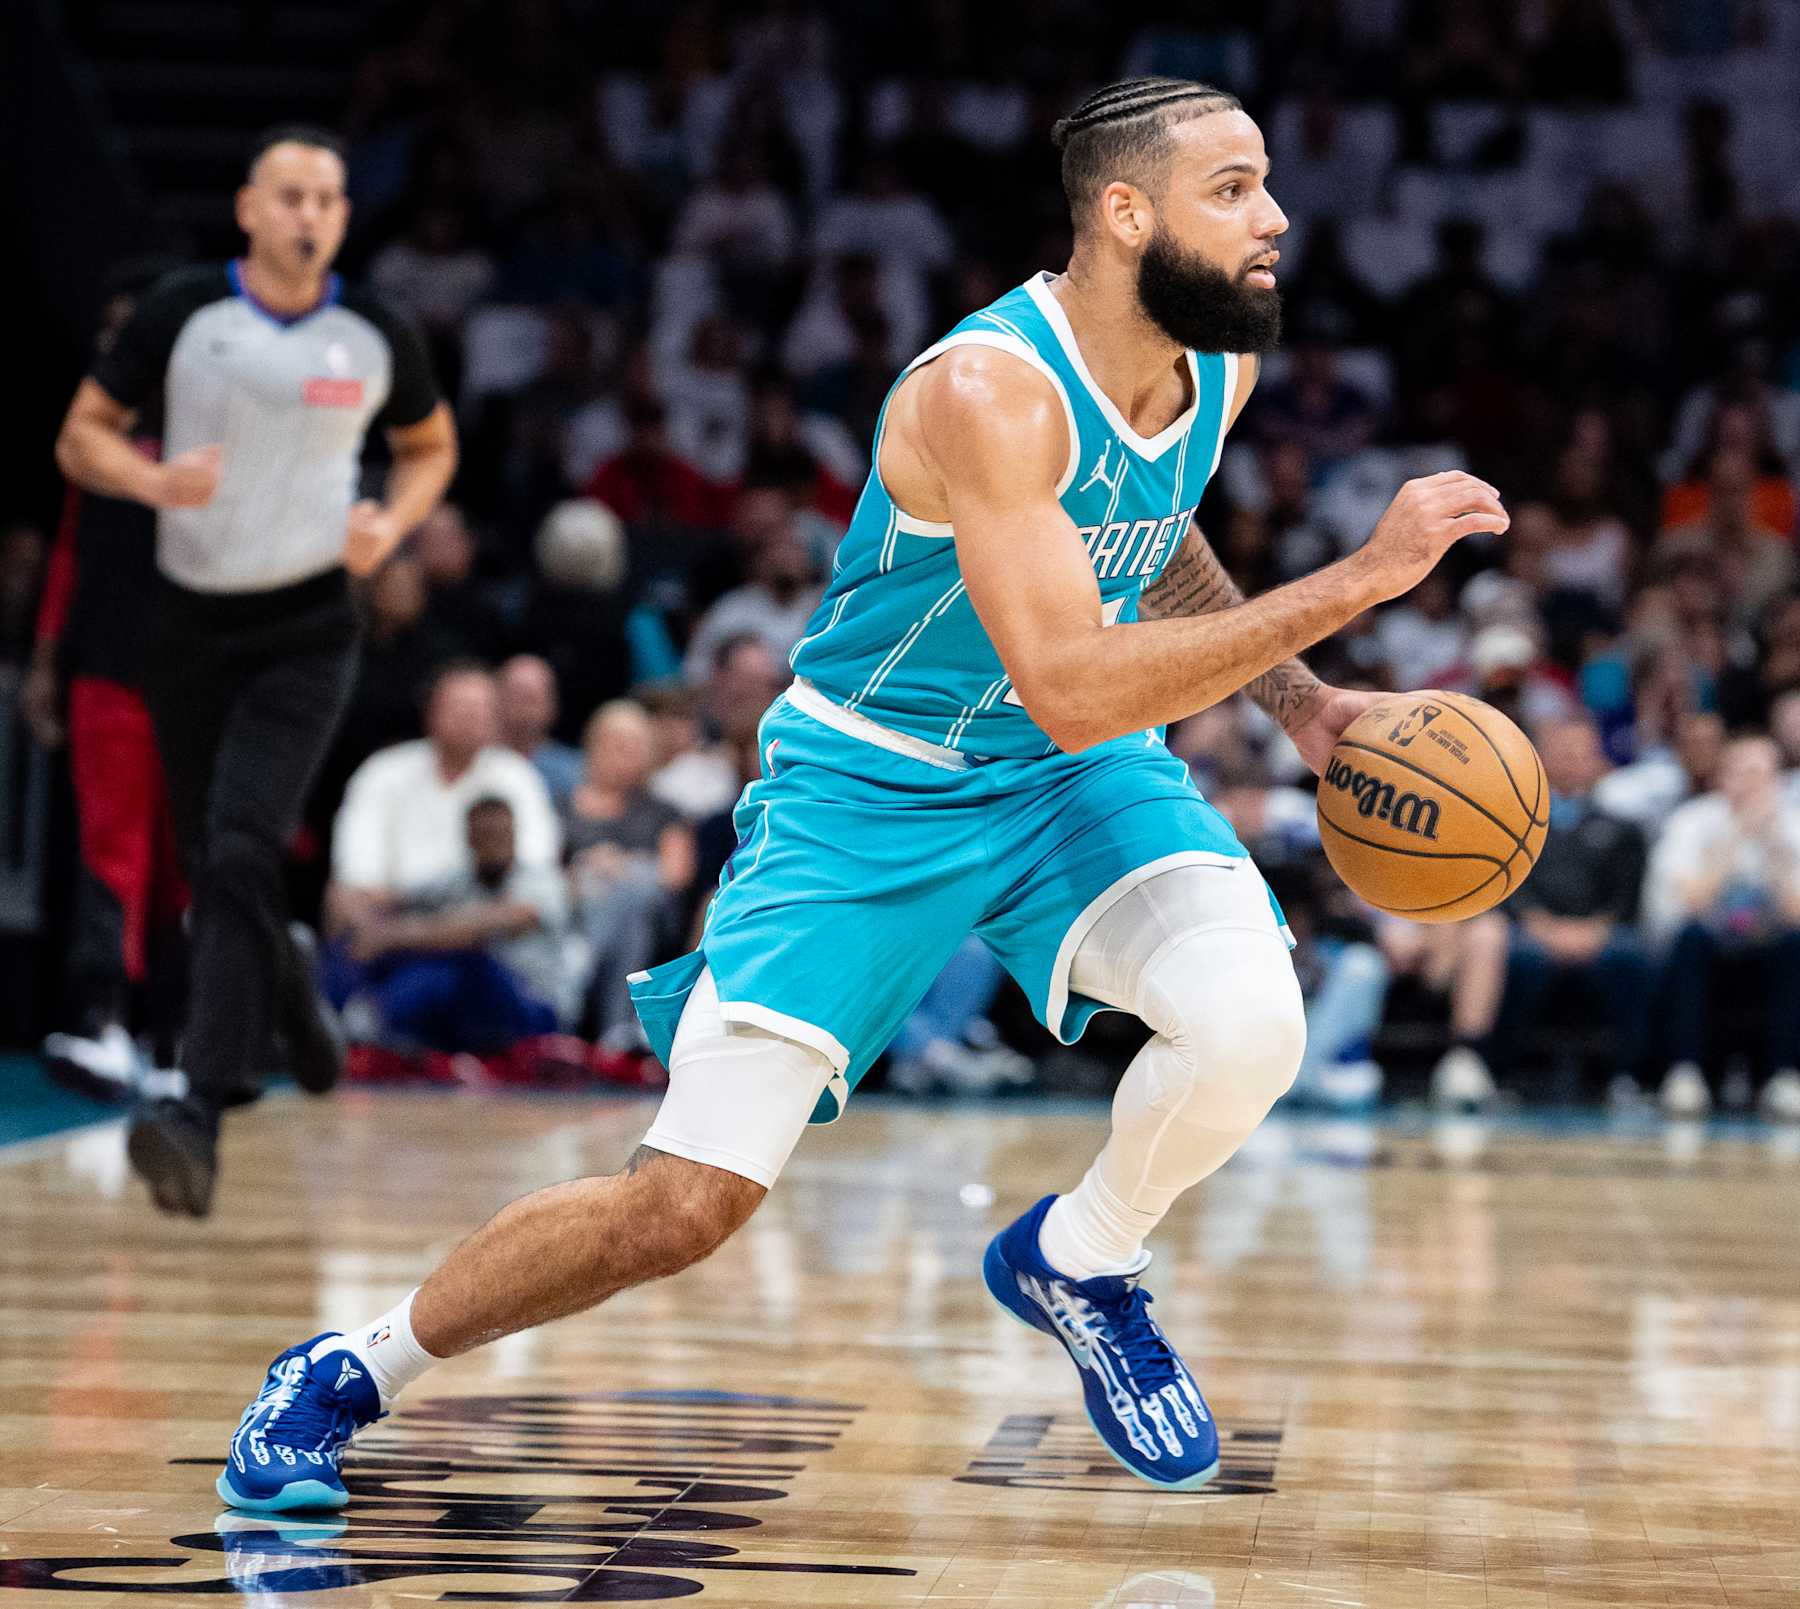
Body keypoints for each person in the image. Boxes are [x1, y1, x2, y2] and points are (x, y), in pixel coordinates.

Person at [216, 77, 1509, 1512]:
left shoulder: (1213, 364)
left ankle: (1081, 1256)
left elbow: (1149, 532)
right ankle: (350, 1366)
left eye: (1266, 184)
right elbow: (1079, 673)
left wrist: (1311, 705)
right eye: (1236, 188)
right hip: (871, 786)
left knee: (1256, 1013)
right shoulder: (986, 394)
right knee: (682, 1208)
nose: (1276, 218)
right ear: (1126, 213)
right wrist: (1355, 585)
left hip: (1064, 776)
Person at [52, 125, 457, 1216]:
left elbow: (433, 446)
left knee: (238, 844)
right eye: (290, 196)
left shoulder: (374, 331)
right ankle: (286, 984)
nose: (311, 215)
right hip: (187, 626)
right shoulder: (184, 314)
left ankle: (200, 1106)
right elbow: (79, 437)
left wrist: (395, 523)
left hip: (310, 626)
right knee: (212, 864)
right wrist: (147, 480)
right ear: (249, 208)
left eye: (327, 197)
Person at [25, 260, 189, 1102]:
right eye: (108, 334)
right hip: (110, 674)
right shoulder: (92, 440)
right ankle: (100, 1022)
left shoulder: (219, 436)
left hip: (197, 678)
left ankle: (171, 1040)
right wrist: (49, 663)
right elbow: (67, 557)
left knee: (178, 863)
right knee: (110, 846)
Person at [326, 663, 561, 944]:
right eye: (457, 705)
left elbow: (533, 869)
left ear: (496, 716)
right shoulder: (383, 770)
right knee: (339, 899)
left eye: (479, 707)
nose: (468, 716)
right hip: (389, 919)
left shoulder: (518, 777)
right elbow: (356, 872)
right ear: (431, 709)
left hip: (485, 936)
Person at [1489, 715, 1651, 1100]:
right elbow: (1506, 883)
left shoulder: (1624, 828)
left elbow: (1628, 896)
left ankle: (1629, 1075)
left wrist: (1595, 929)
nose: (1572, 759)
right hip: (1534, 931)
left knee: (1631, 956)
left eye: (1582, 752)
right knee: (1514, 956)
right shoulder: (1512, 822)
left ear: (1597, 761)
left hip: (1602, 932)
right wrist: (1541, 927)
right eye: (1562, 751)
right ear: (1541, 758)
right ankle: (1502, 1073)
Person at [332, 797, 572, 1055]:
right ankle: (344, 1024)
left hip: (532, 1009)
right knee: (355, 947)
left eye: (502, 833)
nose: (495, 843)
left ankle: (374, 1022)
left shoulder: (543, 882)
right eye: (485, 834)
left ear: (514, 834)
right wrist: (361, 920)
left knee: (466, 959)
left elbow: (476, 929)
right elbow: (368, 896)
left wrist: (388, 936)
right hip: (469, 1010)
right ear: (470, 838)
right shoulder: (456, 880)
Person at [1643, 735, 1800, 1121]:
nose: (1750, 783)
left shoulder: (1793, 825)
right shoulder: (1691, 820)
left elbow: (1795, 912)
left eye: (1761, 773)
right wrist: (1735, 836)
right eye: (1740, 772)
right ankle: (1686, 1073)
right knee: (1691, 938)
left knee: (1796, 944)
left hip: (1771, 950)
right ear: (1721, 777)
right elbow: (1692, 904)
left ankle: (1785, 1076)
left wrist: (1772, 846)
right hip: (1704, 948)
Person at [563, 700, 696, 1043]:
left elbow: (675, 876)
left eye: (631, 745)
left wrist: (621, 866)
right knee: (620, 908)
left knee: (634, 889)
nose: (621, 753)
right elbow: (548, 875)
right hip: (578, 906)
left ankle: (580, 968)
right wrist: (588, 869)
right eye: (613, 742)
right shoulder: (563, 807)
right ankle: (615, 1029)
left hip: (652, 914)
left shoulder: (664, 812)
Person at [495, 655, 582, 812]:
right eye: (517, 696)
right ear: (495, 699)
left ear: (552, 706)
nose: (524, 709)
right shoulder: (474, 761)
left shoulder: (574, 772)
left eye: (532, 699)